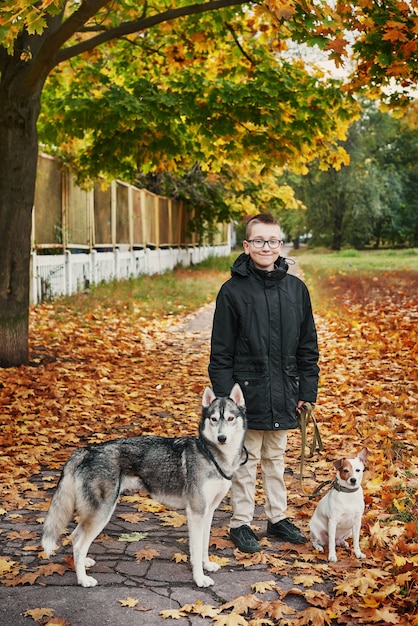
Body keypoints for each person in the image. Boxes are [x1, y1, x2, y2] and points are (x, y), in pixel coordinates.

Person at [208, 214, 319, 552]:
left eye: (272, 241)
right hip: (246, 395)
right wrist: (228, 402)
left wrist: (306, 392)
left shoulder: (296, 289)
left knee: (277, 456)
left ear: (280, 246)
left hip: (285, 390)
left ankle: (277, 517)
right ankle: (241, 522)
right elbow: (221, 353)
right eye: (258, 241)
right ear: (247, 245)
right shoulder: (232, 292)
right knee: (246, 458)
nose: (265, 247)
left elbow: (307, 346)